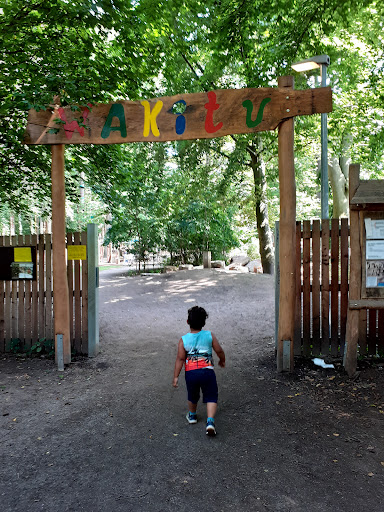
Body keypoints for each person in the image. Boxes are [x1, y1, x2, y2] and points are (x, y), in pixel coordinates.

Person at [173, 306, 225, 436]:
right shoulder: (209, 335)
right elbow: (219, 350)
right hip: (207, 372)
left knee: (192, 395)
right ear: (204, 323)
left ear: (187, 322)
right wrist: (222, 360)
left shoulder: (183, 340)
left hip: (191, 373)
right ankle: (210, 422)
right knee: (211, 395)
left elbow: (180, 359)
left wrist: (175, 376)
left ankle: (192, 416)